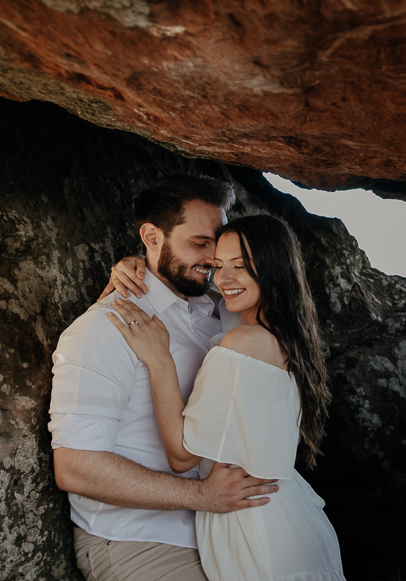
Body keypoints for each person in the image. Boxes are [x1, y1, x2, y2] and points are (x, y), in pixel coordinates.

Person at [50, 174, 279, 581]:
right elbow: (75, 467)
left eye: (217, 242)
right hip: (138, 540)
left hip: (228, 531)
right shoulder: (105, 328)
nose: (212, 257)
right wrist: (203, 496)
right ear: (152, 237)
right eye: (199, 243)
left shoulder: (222, 315)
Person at [107, 215, 345, 581]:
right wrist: (140, 266)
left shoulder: (242, 345)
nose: (223, 279)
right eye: (218, 266)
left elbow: (182, 456)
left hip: (254, 529)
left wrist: (159, 360)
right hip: (288, 517)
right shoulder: (283, 333)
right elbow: (219, 296)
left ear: (273, 268)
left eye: (241, 266)